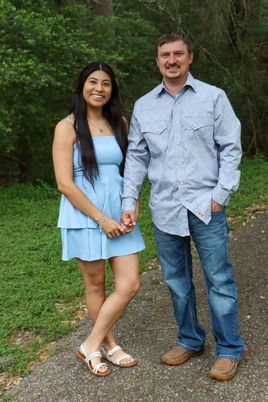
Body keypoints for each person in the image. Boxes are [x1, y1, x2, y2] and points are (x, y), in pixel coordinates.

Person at [121, 32, 244, 381]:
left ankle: (229, 349)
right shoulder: (145, 105)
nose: (171, 60)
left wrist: (221, 194)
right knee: (176, 281)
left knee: (219, 280)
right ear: (157, 60)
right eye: (165, 55)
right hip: (165, 208)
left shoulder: (213, 98)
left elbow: (230, 148)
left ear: (191, 57)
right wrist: (129, 200)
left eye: (178, 54)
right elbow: (136, 158)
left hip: (206, 207)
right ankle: (190, 339)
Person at [52, 62, 145, 377]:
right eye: (93, 82)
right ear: (82, 86)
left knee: (129, 284)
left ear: (112, 90)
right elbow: (64, 183)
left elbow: (132, 171)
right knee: (95, 285)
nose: (99, 88)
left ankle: (90, 344)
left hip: (120, 214)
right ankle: (109, 346)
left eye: (106, 83)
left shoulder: (120, 122)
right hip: (85, 215)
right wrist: (101, 219)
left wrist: (133, 207)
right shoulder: (67, 127)